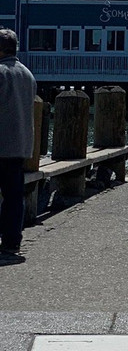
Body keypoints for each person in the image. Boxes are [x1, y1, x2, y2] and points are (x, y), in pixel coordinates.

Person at [0, 29, 36, 259]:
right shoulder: (27, 74)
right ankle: (12, 242)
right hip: (20, 145)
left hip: (1, 144)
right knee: (14, 196)